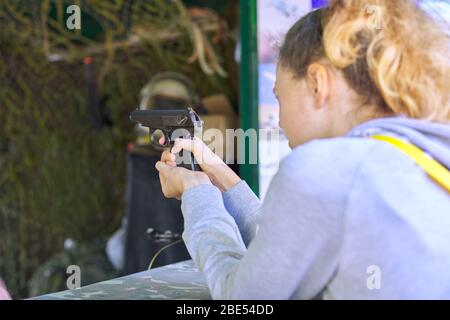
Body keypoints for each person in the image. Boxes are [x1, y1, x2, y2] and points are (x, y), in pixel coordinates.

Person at [155, 0, 450, 299]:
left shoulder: (327, 168)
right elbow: (289, 250)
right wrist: (221, 176)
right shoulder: (424, 154)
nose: (280, 121)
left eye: (279, 97)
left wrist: (196, 192)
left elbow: (243, 301)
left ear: (317, 83)